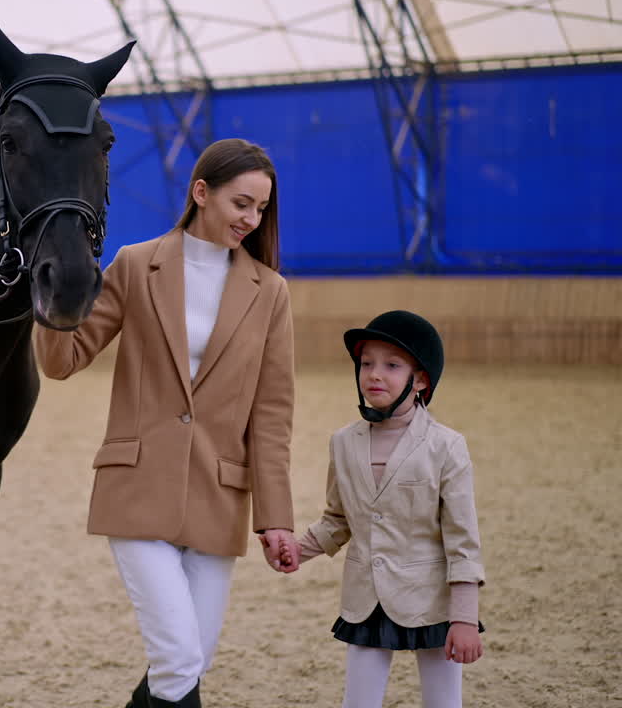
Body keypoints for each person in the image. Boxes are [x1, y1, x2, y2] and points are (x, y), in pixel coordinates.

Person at [34, 138, 298, 708]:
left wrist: (275, 518)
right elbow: (64, 361)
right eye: (241, 204)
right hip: (136, 487)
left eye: (260, 210)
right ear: (201, 193)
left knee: (185, 664)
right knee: (179, 661)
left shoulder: (271, 293)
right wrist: (52, 302)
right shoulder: (135, 264)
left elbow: (272, 416)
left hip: (219, 495)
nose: (251, 220)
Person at [274, 310, 485, 708]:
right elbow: (338, 519)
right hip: (364, 601)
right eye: (366, 363)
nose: (374, 374)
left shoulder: (447, 446)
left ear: (420, 380)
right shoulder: (343, 442)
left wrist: (465, 618)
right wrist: (298, 551)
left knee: (443, 703)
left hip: (433, 602)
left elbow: (463, 542)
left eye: (391, 365)